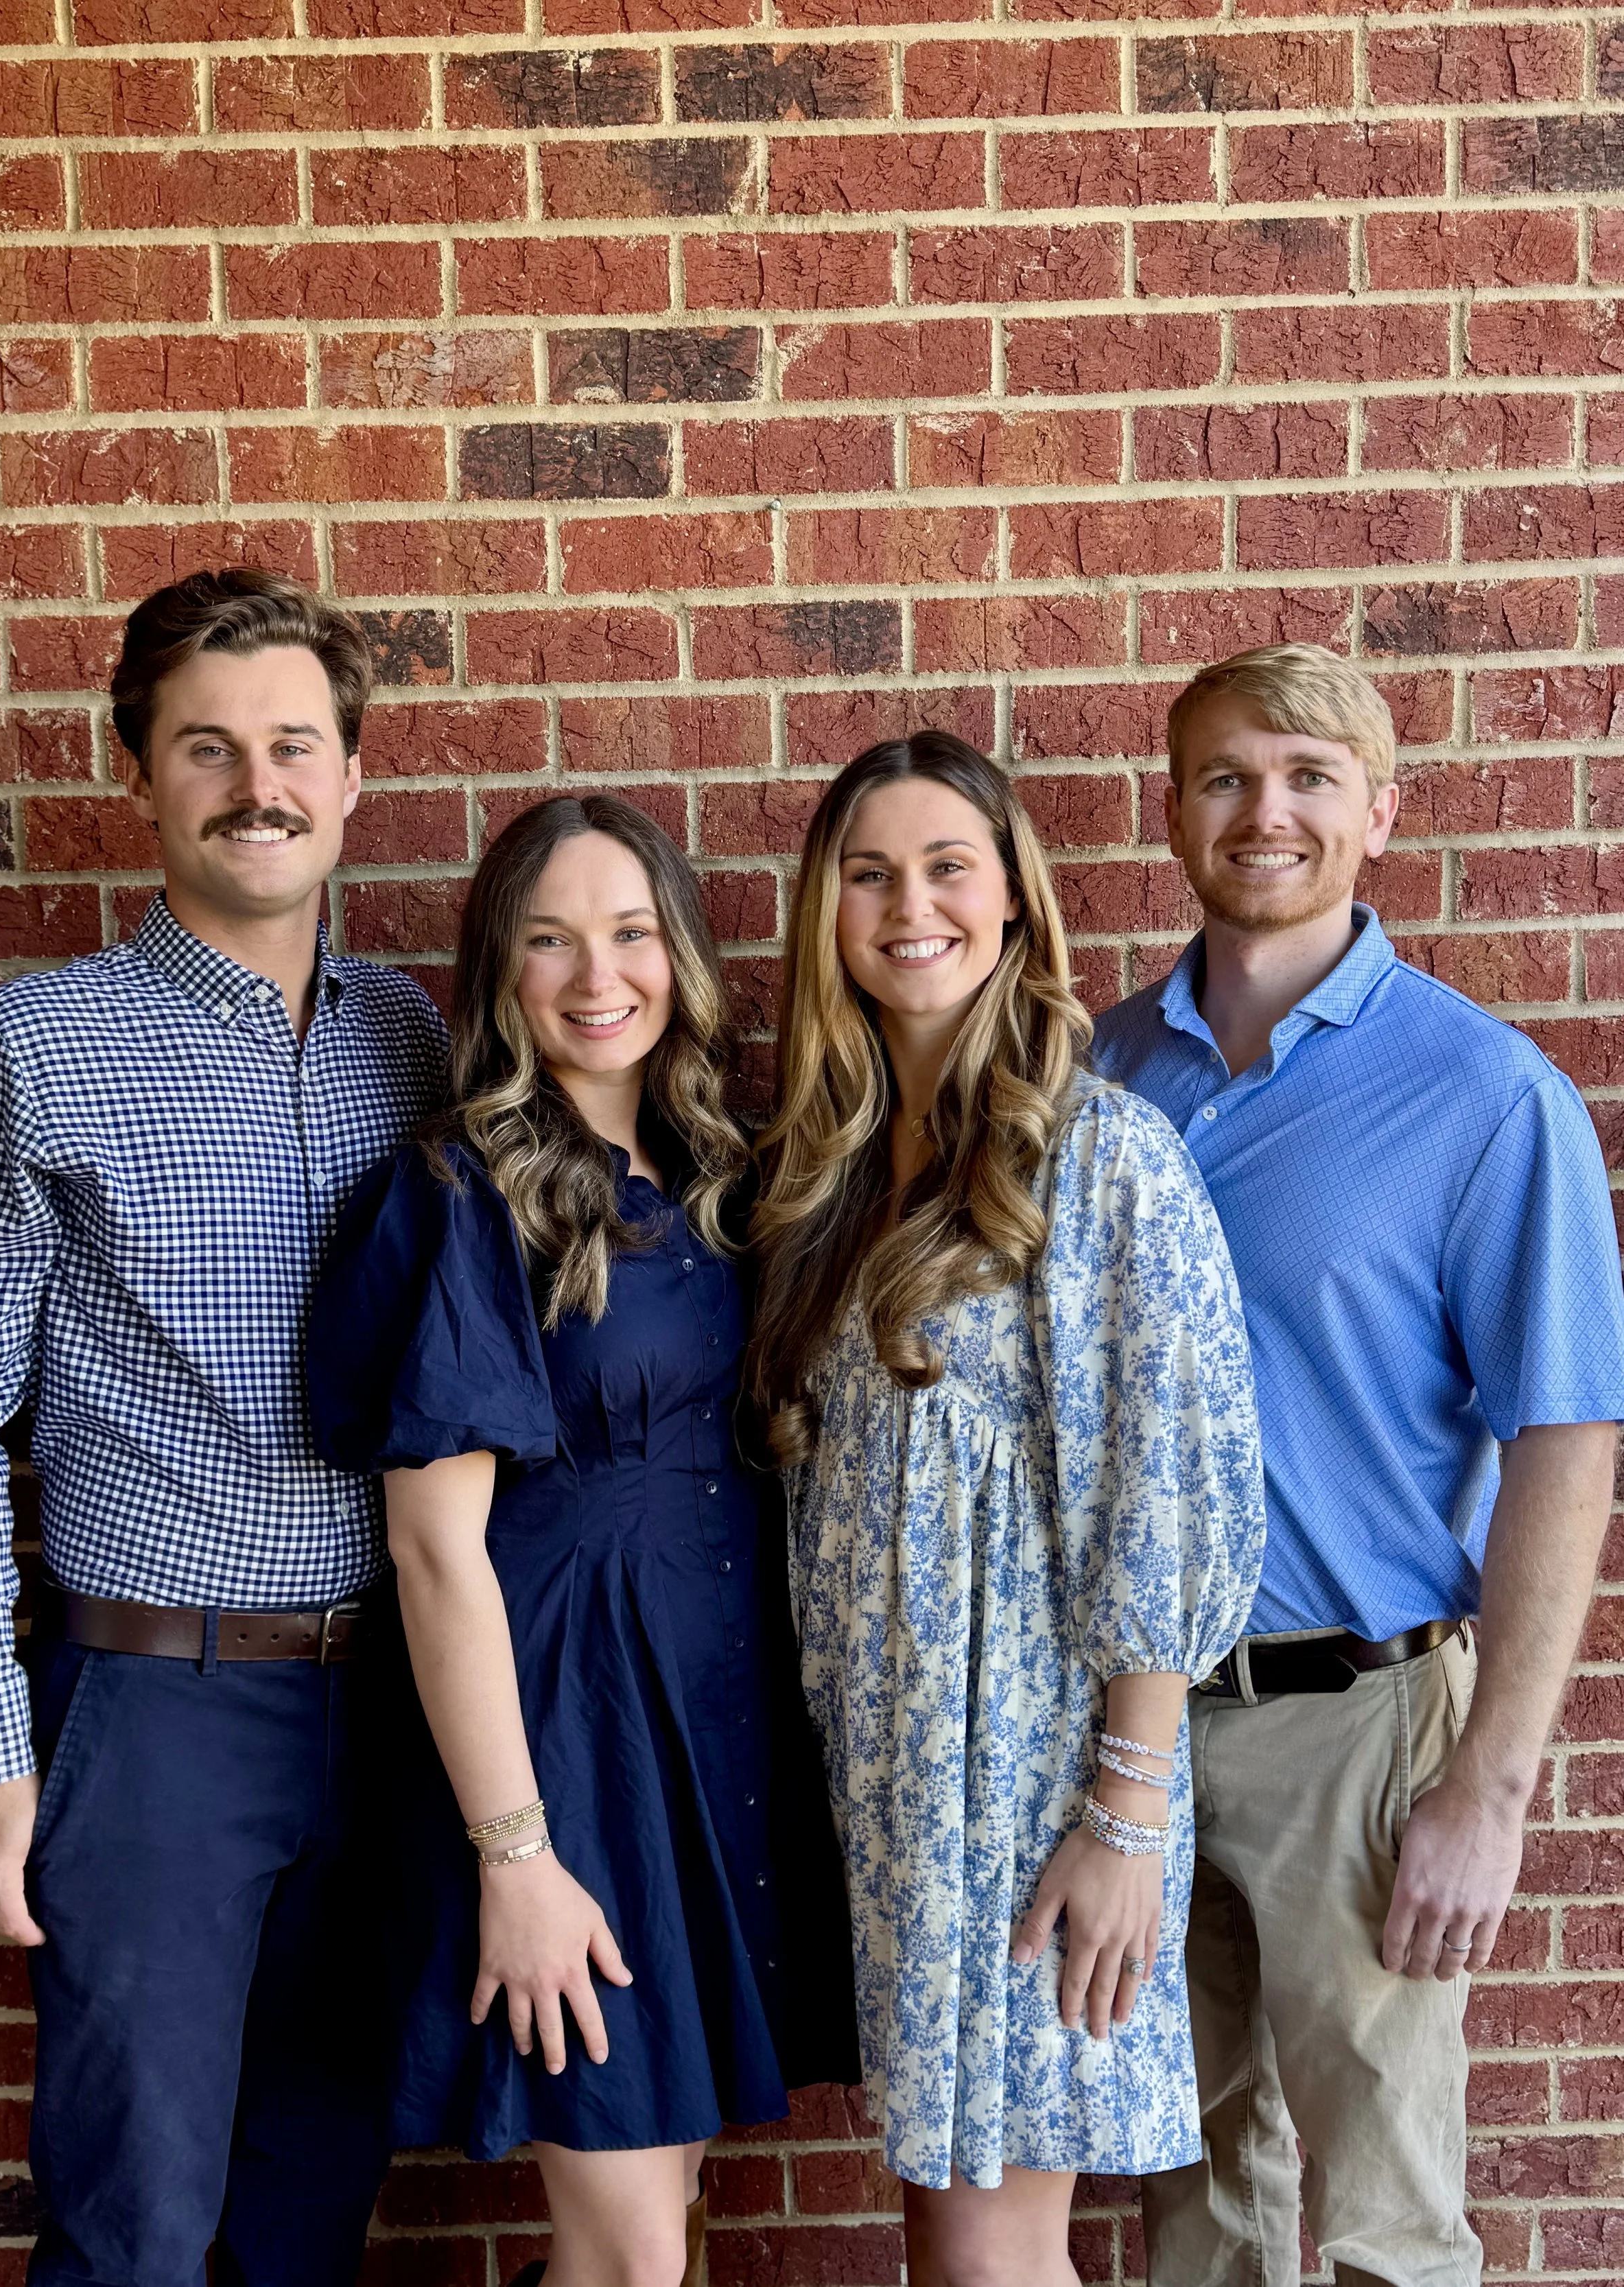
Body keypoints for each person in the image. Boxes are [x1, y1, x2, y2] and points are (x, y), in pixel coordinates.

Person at [0, 567, 449, 2287]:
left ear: (353, 778)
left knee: (312, 2197)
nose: (256, 783)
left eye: (293, 744)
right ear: (137, 774)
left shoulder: (411, 1040)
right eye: (206, 748)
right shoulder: (25, 1052)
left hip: (389, 1711)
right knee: (133, 2223)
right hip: (150, 1711)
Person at [1089, 642, 1624, 2287]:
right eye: (1227, 776)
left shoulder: (1479, 1095)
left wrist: (1488, 1785)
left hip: (1360, 1730)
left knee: (1387, 2225)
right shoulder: (1098, 1077)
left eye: (1311, 778)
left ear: (1377, 815)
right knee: (1185, 2210)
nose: (1267, 812)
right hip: (1140, 1738)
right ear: (1171, 809)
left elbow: (1563, 1440)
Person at [305, 793, 857, 2287]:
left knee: (656, 2219)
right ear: (498, 971)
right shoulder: (465, 1192)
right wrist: (517, 1855)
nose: (593, 973)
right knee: (626, 2252)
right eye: (547, 940)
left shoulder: (721, 1178)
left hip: (707, 1735)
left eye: (626, 932)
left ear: (677, 951)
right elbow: (433, 1553)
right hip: (563, 1749)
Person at [749, 731, 1267, 2287]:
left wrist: (1122, 1811)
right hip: (898, 1787)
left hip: (1034, 1782)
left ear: (1016, 905)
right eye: (867, 874)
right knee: (950, 2228)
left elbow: (1158, 1504)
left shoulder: (1096, 1154)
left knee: (991, 2251)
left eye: (946, 866)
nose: (909, 906)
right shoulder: (832, 1173)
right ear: (824, 915)